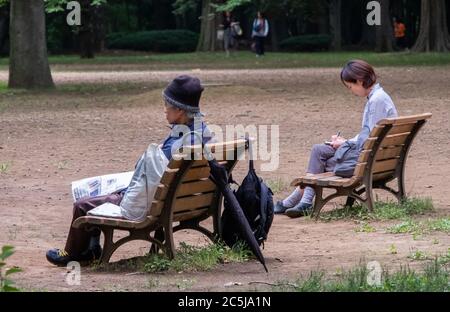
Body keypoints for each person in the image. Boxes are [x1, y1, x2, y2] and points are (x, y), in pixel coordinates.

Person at [46, 75, 215, 266]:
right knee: (103, 192)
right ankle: (91, 248)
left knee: (82, 205)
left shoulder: (178, 143)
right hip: (183, 202)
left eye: (167, 105)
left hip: (149, 205)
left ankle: (74, 253)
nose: (164, 110)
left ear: (180, 110)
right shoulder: (202, 133)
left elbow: (146, 173)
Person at [275, 60, 399, 218]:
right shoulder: (378, 97)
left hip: (368, 161)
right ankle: (299, 201)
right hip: (379, 159)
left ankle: (300, 201)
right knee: (318, 150)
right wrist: (344, 142)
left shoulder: (376, 101)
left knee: (319, 161)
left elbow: (369, 139)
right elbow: (370, 134)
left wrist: (344, 143)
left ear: (360, 81)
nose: (351, 91)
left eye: (350, 86)